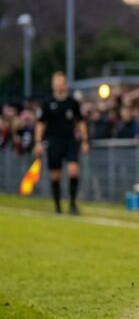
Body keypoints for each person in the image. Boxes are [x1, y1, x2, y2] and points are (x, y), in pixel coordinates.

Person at [34, 72, 88, 215]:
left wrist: (84, 140)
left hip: (70, 140)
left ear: (66, 84)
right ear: (53, 85)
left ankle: (72, 204)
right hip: (53, 141)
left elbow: (81, 122)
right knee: (55, 175)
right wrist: (38, 142)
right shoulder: (47, 102)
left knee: (73, 170)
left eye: (61, 82)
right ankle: (57, 206)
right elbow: (40, 124)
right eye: (56, 82)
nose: (59, 85)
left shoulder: (72, 103)